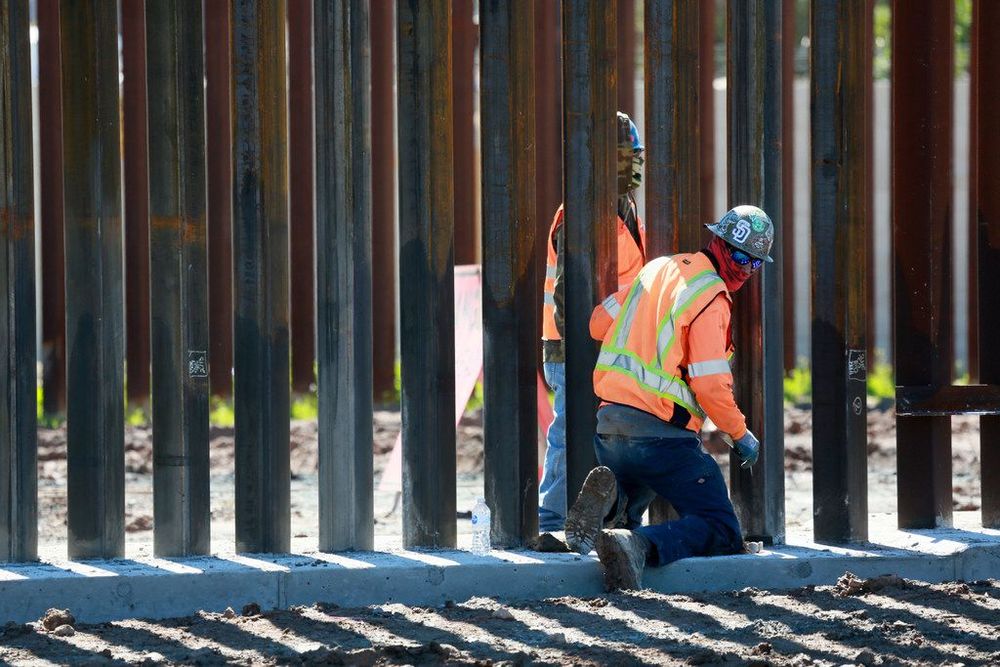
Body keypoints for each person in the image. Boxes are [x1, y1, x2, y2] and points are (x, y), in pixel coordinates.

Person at [562, 204, 774, 590]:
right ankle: (637, 544)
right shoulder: (711, 296)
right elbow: (710, 384)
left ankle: (614, 512)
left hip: (608, 431)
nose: (745, 269)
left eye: (755, 263)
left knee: (636, 490)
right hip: (659, 437)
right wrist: (740, 434)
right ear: (717, 243)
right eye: (740, 256)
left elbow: (597, 322)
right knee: (721, 527)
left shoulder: (658, 268)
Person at [538, 112, 647, 534]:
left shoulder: (626, 207)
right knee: (570, 430)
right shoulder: (580, 212)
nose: (631, 166)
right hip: (574, 346)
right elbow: (567, 294)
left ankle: (602, 517)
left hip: (612, 345)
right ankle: (550, 519)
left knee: (609, 435)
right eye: (622, 157)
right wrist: (583, 353)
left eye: (633, 156)